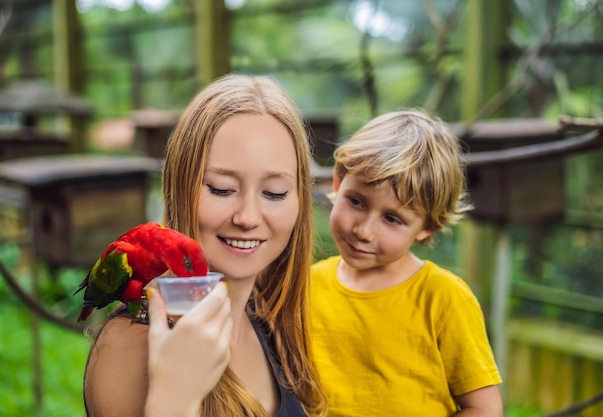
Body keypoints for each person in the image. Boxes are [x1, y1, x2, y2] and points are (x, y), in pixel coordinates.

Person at [82, 73, 328, 417]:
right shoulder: (131, 350)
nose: (248, 216)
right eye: (221, 188)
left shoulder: (273, 322)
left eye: (275, 193)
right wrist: (173, 401)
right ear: (180, 189)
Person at [309, 109, 503, 416]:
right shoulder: (307, 285)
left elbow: (483, 408)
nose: (364, 230)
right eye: (356, 201)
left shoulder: (444, 297)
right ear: (337, 182)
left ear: (428, 227)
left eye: (392, 218)